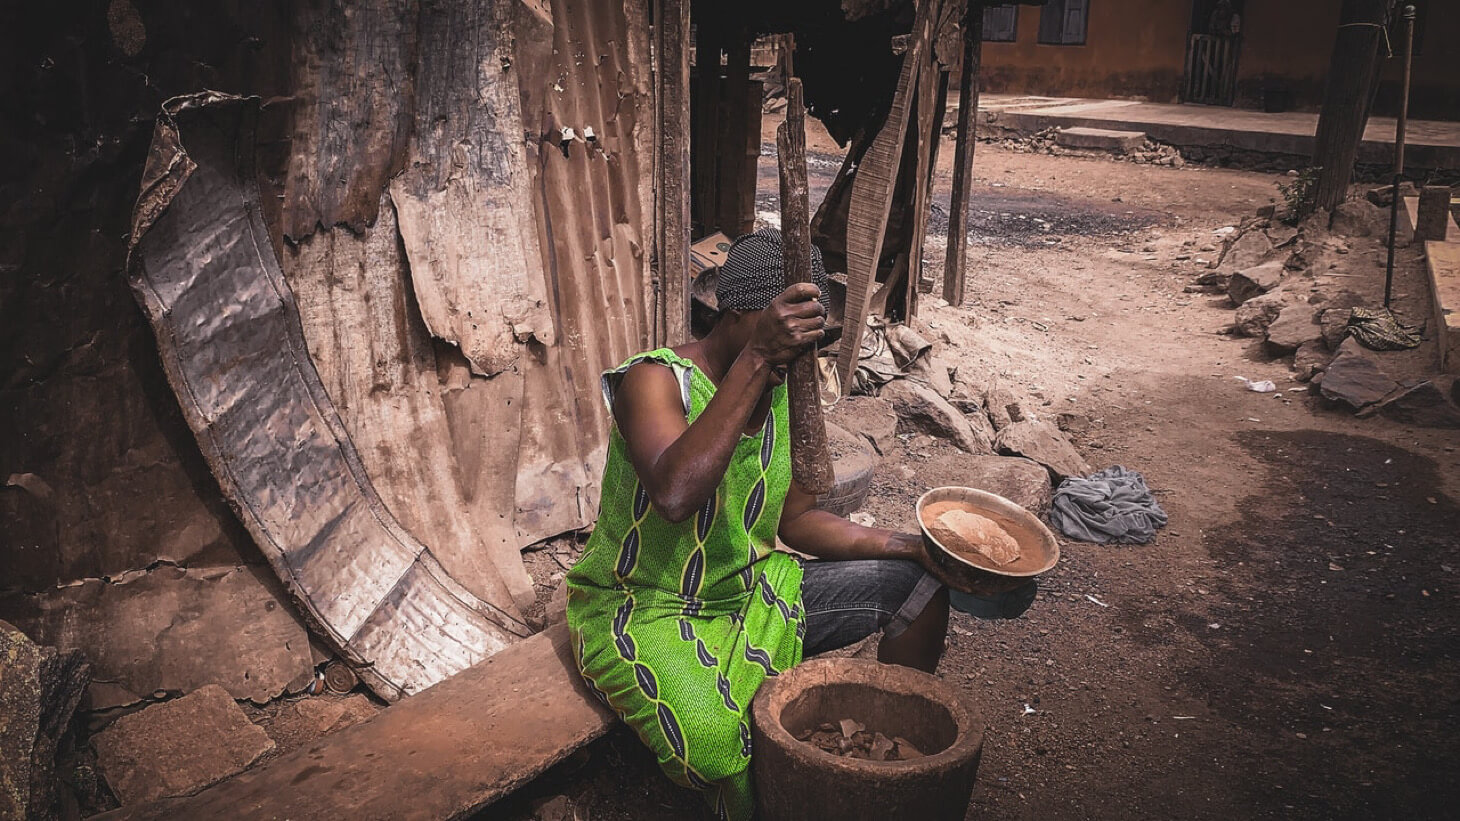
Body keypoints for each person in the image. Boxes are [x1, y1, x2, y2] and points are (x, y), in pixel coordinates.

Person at [565, 229, 953, 820]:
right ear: (740, 312)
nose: (798, 362)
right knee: (719, 747)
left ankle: (885, 759)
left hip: (751, 594)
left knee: (918, 587)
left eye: (807, 346)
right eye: (788, 340)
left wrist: (906, 546)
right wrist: (757, 359)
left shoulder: (779, 388)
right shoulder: (653, 380)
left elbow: (794, 520)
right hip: (644, 608)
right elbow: (676, 494)